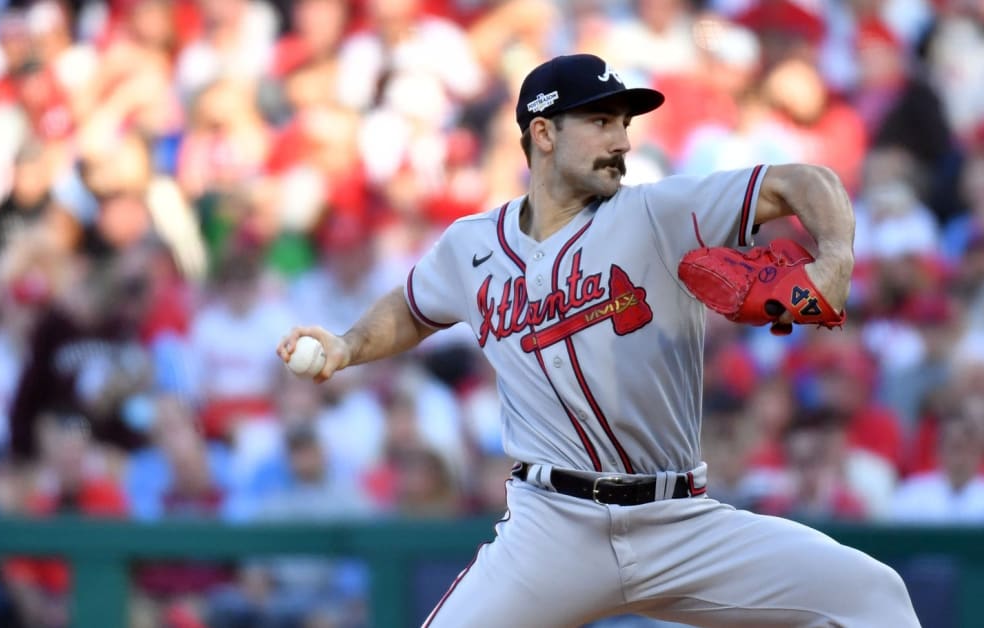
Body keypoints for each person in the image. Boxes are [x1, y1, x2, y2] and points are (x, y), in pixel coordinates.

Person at [278, 53, 919, 627]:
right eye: (601, 121)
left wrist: (833, 261)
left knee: (871, 596)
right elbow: (415, 308)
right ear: (544, 133)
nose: (621, 139)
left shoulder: (659, 213)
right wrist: (347, 345)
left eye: (624, 123)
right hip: (552, 529)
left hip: (677, 522)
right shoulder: (471, 246)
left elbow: (805, 181)